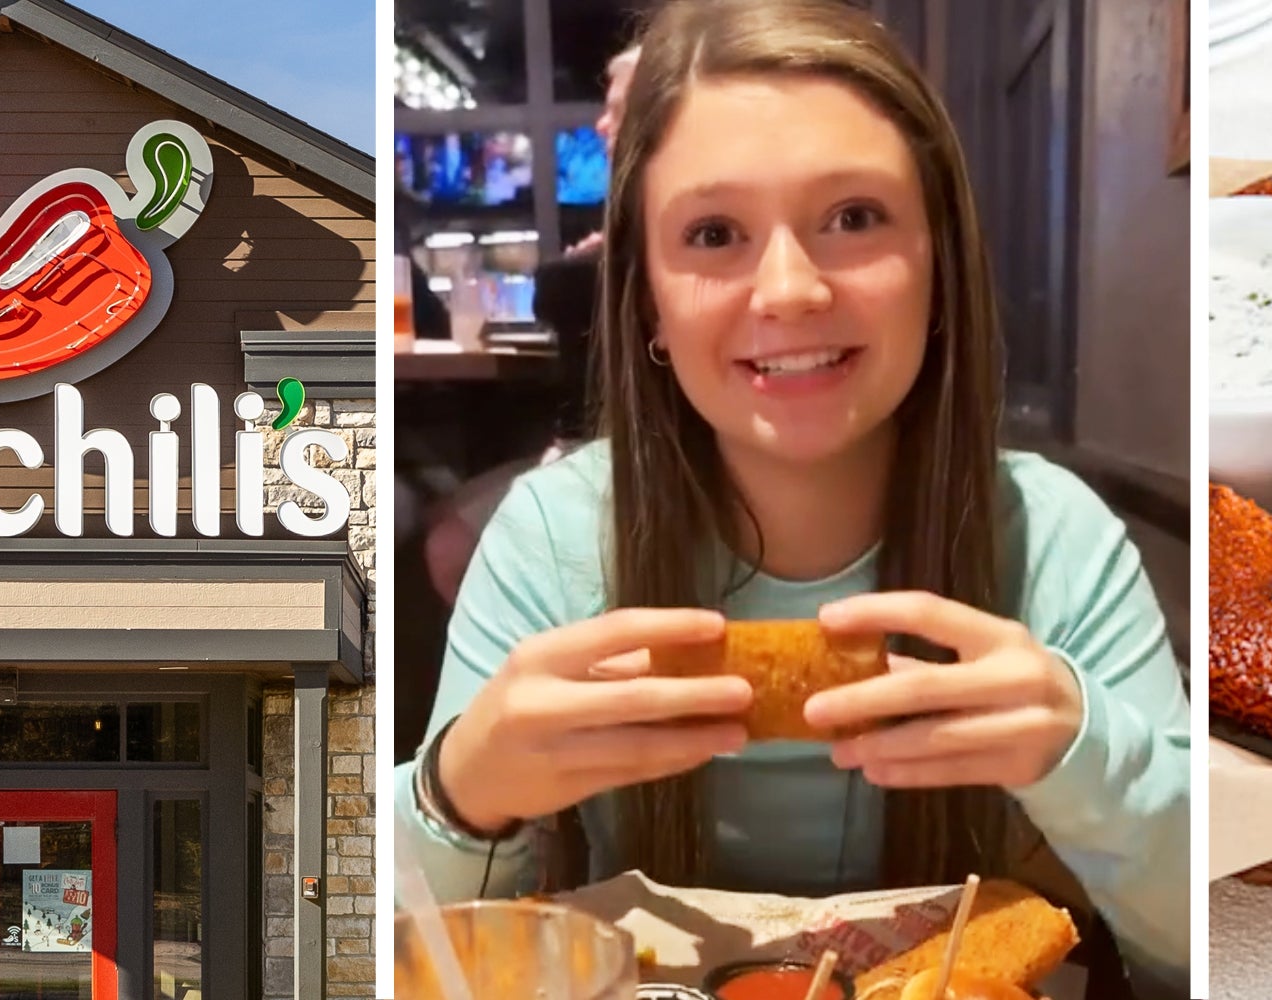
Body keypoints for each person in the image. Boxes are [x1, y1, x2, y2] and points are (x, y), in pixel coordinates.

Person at [395, 1, 1190, 995]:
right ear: (648, 297)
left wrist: (1086, 755)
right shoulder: (552, 541)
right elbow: (386, 943)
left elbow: (1201, 950)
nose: (787, 290)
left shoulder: (1054, 538)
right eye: (713, 232)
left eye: (853, 218)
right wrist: (459, 794)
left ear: (937, 262)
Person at [535, 44, 640, 460]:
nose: (600, 125)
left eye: (616, 111)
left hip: (621, 445)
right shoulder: (630, 215)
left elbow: (557, 287)